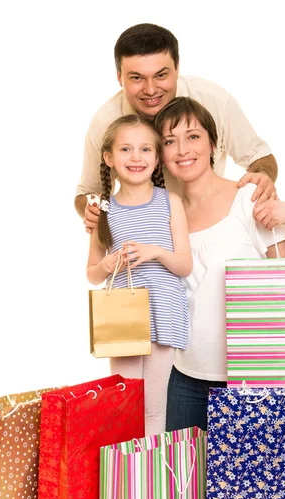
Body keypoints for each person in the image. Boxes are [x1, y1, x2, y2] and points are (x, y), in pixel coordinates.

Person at [152, 96, 285, 432]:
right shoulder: (166, 215)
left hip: (250, 380)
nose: (182, 149)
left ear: (213, 143)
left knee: (249, 485)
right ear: (161, 156)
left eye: (193, 136)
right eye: (170, 141)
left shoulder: (248, 198)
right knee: (184, 485)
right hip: (184, 378)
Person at [75, 23, 279, 234]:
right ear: (119, 77)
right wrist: (92, 208)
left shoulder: (214, 101)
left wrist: (262, 179)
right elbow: (87, 193)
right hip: (149, 237)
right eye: (137, 78)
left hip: (214, 227)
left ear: (177, 68)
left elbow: (260, 157)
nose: (151, 89)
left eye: (161, 75)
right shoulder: (105, 124)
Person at [86, 114, 192, 435]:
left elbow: (184, 265)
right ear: (109, 158)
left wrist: (155, 251)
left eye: (146, 149)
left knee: (156, 406)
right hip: (122, 318)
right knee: (124, 404)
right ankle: (126, 480)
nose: (136, 157)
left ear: (157, 157)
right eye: (126, 150)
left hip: (165, 314)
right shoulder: (104, 209)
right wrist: (108, 264)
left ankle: (150, 479)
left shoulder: (170, 202)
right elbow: (92, 273)